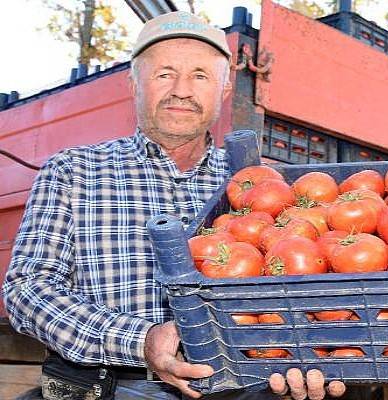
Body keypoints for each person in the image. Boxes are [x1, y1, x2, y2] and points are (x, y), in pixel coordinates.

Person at [2, 11, 343, 400]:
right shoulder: (74, 171)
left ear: (225, 88)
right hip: (113, 387)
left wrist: (303, 357)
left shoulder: (261, 185)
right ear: (133, 83)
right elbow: (28, 290)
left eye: (200, 75)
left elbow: (299, 288)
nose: (182, 90)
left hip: (241, 387)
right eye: (164, 73)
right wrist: (141, 340)